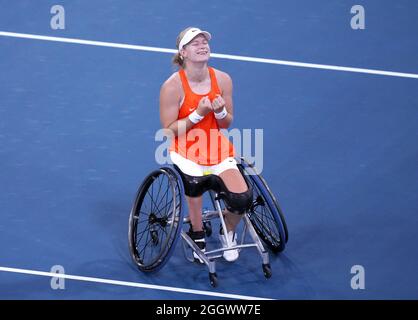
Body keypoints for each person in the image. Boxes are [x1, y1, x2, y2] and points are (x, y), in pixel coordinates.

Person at [159, 27, 252, 262]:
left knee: (242, 199)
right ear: (183, 53)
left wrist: (220, 111)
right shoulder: (172, 87)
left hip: (217, 150)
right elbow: (169, 130)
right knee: (194, 186)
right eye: (195, 43)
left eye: (204, 42)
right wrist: (198, 115)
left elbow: (226, 123)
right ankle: (197, 231)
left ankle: (227, 231)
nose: (202, 46)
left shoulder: (222, 79)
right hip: (185, 151)